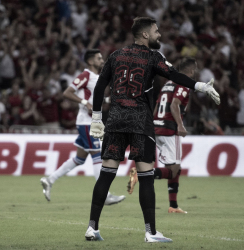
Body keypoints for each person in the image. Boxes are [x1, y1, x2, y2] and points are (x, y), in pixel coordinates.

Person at [86, 17, 220, 243]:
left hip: (116, 121)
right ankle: (151, 232)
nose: (159, 35)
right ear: (145, 34)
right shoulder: (153, 57)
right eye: (156, 31)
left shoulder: (115, 55)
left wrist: (97, 117)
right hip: (140, 122)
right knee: (146, 177)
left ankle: (92, 228)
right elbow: (174, 74)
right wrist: (200, 86)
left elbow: (100, 87)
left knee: (106, 175)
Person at [40, 49, 125, 206]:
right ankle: (104, 195)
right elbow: (67, 92)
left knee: (79, 159)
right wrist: (85, 103)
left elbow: (93, 99)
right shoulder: (85, 75)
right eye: (99, 58)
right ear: (91, 61)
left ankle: (49, 180)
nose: (102, 60)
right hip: (87, 122)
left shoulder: (97, 77)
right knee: (98, 155)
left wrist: (108, 99)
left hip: (92, 121)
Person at [127, 57, 197, 214]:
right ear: (191, 71)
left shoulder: (168, 84)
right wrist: (180, 125)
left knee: (174, 169)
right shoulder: (184, 84)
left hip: (156, 128)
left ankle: (173, 205)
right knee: (174, 169)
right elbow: (174, 104)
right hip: (169, 130)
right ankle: (141, 174)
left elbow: (158, 105)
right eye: (195, 70)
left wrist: (150, 125)